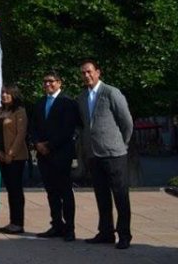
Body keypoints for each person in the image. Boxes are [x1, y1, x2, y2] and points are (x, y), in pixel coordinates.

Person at [78, 59, 134, 250]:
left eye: (89, 71)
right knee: (101, 196)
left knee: (120, 196)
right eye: (83, 73)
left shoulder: (111, 92)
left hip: (114, 153)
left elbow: (126, 122)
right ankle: (106, 232)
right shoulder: (82, 97)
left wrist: (122, 144)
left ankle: (124, 235)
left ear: (98, 72)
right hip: (94, 155)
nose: (86, 75)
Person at [31, 70, 80, 242]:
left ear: (59, 82)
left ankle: (70, 228)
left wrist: (50, 145)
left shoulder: (68, 102)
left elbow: (68, 129)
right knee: (51, 192)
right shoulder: (40, 103)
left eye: (51, 81)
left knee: (65, 192)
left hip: (61, 154)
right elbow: (33, 127)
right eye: (45, 81)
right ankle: (56, 224)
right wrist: (37, 143)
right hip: (43, 155)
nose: (47, 84)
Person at [0, 84, 28, 234]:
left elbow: (21, 135)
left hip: (16, 158)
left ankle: (18, 223)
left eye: (8, 93)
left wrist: (10, 154)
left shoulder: (19, 111)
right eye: (3, 93)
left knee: (16, 190)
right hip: (1, 156)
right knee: (10, 189)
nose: (4, 95)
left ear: (14, 95)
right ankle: (12, 222)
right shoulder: (0, 111)